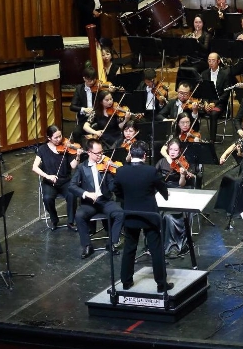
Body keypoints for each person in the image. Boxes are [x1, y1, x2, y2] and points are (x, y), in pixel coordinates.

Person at [114, 140, 172, 292]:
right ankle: (161, 284)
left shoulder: (121, 171)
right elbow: (162, 188)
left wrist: (126, 199)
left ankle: (126, 281)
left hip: (130, 214)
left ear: (130, 154)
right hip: (149, 215)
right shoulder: (151, 171)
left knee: (129, 248)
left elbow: (116, 190)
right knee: (156, 249)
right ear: (145, 155)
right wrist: (165, 196)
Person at [69, 139, 124, 259]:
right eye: (97, 153)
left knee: (120, 213)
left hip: (104, 200)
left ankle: (111, 243)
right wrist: (86, 193)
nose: (101, 155)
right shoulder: (82, 167)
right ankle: (87, 246)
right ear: (89, 152)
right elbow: (72, 186)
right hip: (89, 203)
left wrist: (116, 176)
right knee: (79, 216)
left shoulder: (106, 166)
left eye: (101, 152)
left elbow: (111, 187)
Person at [32, 125, 83, 231]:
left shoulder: (67, 147)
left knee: (72, 195)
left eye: (60, 136)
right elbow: (34, 167)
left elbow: (73, 166)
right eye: (56, 137)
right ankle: (54, 219)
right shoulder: (42, 149)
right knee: (47, 198)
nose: (59, 139)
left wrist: (78, 156)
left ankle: (71, 222)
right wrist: (47, 176)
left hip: (65, 181)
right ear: (49, 138)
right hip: (49, 182)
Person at [201, 53, 231, 142]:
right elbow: (203, 91)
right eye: (209, 60)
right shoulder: (204, 74)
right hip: (207, 101)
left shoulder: (225, 74)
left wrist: (214, 103)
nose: (211, 63)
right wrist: (205, 102)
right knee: (193, 108)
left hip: (219, 103)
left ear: (218, 61)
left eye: (213, 60)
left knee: (213, 114)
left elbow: (226, 93)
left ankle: (212, 140)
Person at [69, 66, 101, 144]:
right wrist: (84, 109)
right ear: (84, 79)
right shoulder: (79, 89)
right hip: (83, 119)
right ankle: (80, 148)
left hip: (97, 118)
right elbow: (72, 107)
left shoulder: (98, 88)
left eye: (94, 80)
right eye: (89, 80)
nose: (92, 82)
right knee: (76, 133)